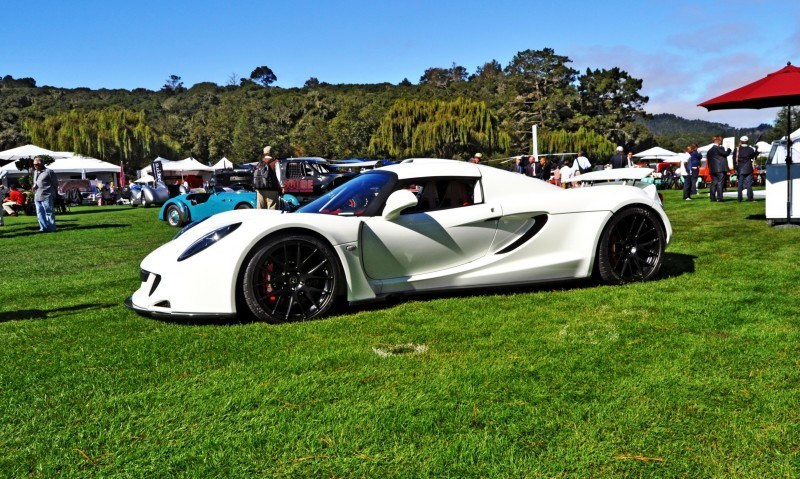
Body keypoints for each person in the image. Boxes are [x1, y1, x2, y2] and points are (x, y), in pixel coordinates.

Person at [32, 156, 58, 232]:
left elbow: (55, 183)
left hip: (47, 195)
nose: (35, 166)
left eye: (36, 164)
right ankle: (43, 228)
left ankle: (52, 228)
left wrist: (53, 192)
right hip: (37, 195)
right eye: (34, 164)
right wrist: (34, 186)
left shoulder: (49, 171)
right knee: (39, 213)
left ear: (41, 164)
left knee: (49, 212)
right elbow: (35, 182)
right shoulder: (35, 172)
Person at [707, 136, 731, 202]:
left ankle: (712, 198)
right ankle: (719, 198)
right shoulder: (719, 148)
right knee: (720, 183)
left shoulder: (709, 150)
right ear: (719, 141)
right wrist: (729, 149)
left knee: (714, 183)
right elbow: (725, 154)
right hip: (720, 168)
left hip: (712, 169)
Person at [733, 136, 757, 202]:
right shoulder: (750, 149)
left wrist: (735, 168)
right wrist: (756, 150)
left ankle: (739, 198)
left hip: (740, 168)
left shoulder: (737, 149)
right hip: (748, 168)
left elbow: (734, 160)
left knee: (740, 184)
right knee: (749, 184)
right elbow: (754, 157)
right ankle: (750, 198)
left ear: (740, 141)